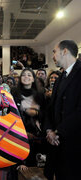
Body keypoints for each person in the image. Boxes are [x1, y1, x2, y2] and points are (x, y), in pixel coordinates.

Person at [44, 40, 81, 180]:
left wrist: (57, 132)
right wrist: (48, 131)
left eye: (54, 52)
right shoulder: (60, 77)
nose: (53, 56)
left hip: (74, 144)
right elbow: (51, 108)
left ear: (64, 51)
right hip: (56, 144)